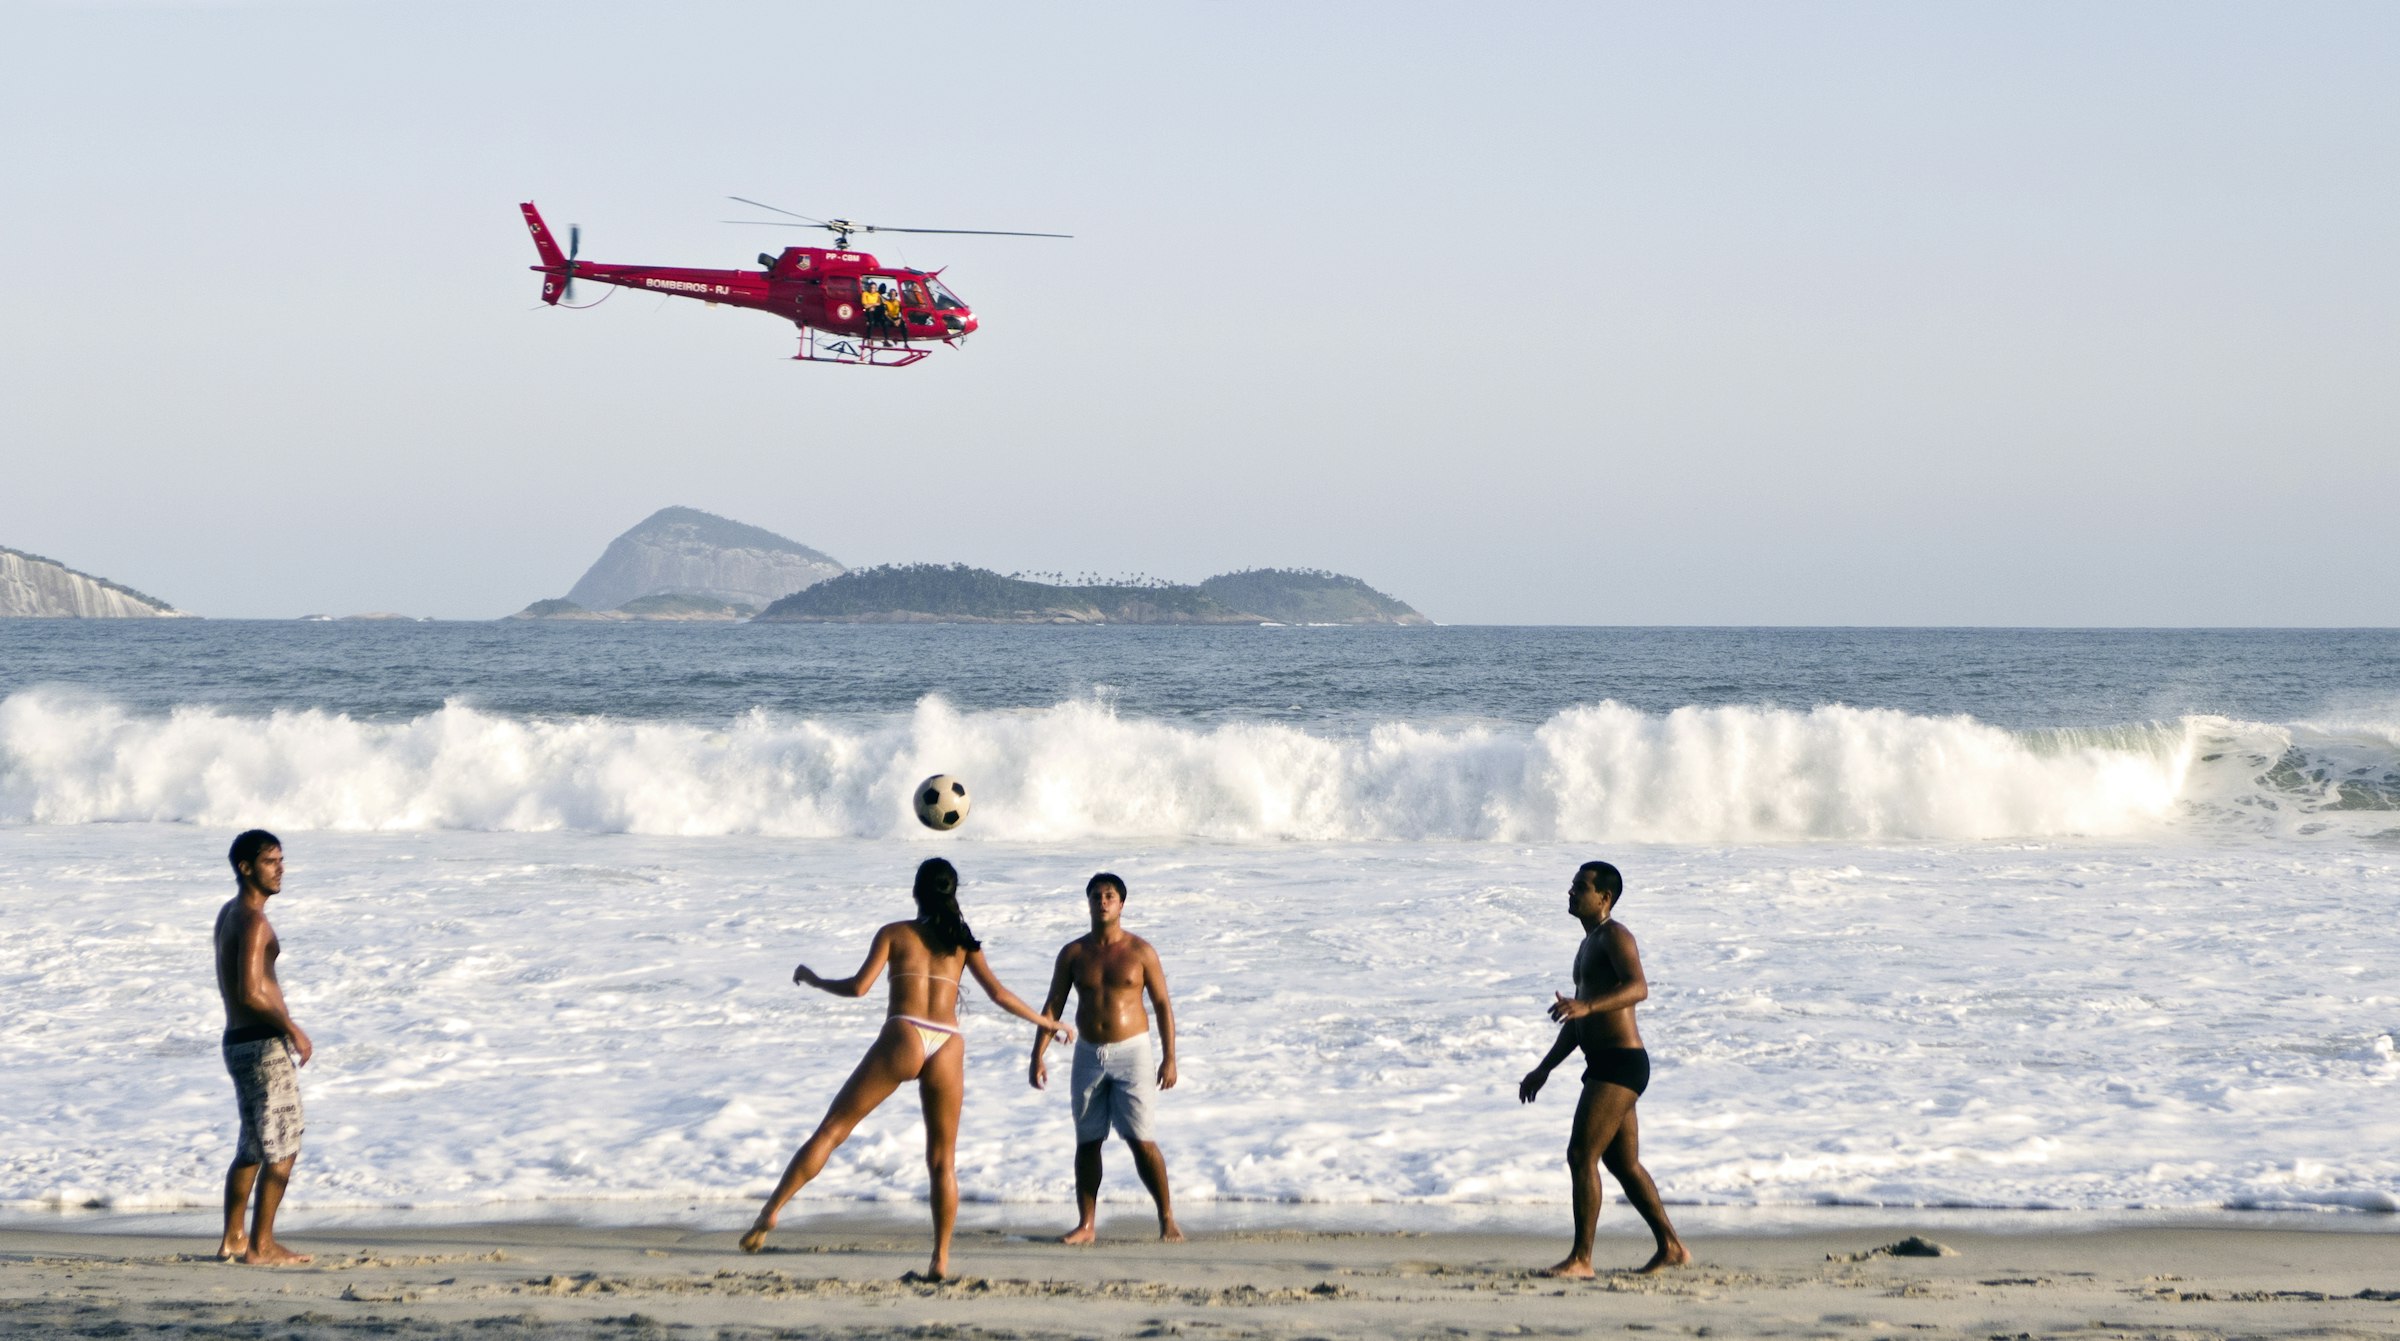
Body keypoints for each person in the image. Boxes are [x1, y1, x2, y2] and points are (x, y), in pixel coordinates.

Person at [742, 857, 1074, 1281]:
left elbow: (859, 987)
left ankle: (771, 1212)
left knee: (832, 1130)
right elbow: (999, 994)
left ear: (916, 891)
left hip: (905, 1033)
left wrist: (816, 980)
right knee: (942, 1161)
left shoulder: (895, 933)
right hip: (948, 1042)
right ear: (953, 893)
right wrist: (1046, 1022)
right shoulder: (962, 941)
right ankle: (940, 1258)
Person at [1518, 860, 1689, 1277]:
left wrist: (1588, 1005)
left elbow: (1638, 987)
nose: (1572, 892)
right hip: (1609, 1063)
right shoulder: (1588, 944)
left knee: (1581, 1154)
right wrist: (1544, 1068)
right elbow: (1578, 1026)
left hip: (1620, 1064)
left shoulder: (1615, 935)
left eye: (1581, 887)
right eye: (1573, 886)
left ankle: (1582, 1259)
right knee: (1623, 1164)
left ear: (1605, 898)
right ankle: (1671, 1247)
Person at [1029, 872, 1183, 1244]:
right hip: (1087, 1053)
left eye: (1109, 896)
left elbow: (1162, 1005)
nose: (1102, 901)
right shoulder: (1073, 953)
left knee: (1141, 1139)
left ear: (1121, 904)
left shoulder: (1140, 951)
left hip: (1133, 1052)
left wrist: (1170, 1058)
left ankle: (1167, 1219)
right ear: (1088, 902)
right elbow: (1053, 1004)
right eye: (1096, 895)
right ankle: (1086, 1224)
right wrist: (1037, 1055)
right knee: (1088, 1141)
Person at [212, 829, 314, 1266]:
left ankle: (234, 1238)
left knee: (252, 1147)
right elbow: (251, 990)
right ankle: (263, 1246)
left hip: (237, 1041)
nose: (281, 869)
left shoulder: (229, 914)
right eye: (271, 861)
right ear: (246, 868)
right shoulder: (254, 921)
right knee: (284, 1148)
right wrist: (291, 1028)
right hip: (260, 1043)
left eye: (281, 860)